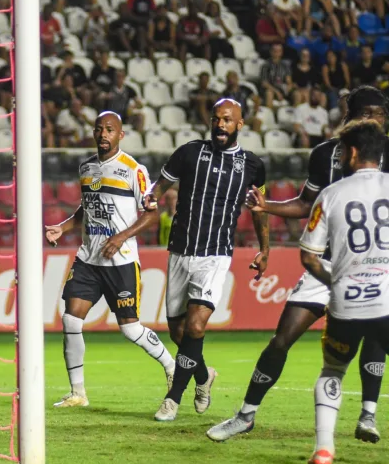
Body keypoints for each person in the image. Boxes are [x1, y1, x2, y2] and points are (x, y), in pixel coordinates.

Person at [207, 86, 388, 444]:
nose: (376, 120)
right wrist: (267, 207)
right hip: (326, 265)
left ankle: (368, 414)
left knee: (374, 334)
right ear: (349, 112)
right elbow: (308, 203)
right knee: (282, 338)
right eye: (369, 113)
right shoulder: (325, 154)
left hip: (375, 264)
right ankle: (246, 415)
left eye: (381, 114)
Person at [125, 99, 270, 421]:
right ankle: (204, 376)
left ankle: (172, 399)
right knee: (179, 333)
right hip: (180, 251)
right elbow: (160, 186)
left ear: (240, 124)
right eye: (217, 119)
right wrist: (151, 197)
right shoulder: (189, 152)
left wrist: (265, 248)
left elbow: (258, 208)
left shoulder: (253, 165)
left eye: (228, 120)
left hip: (215, 255)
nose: (221, 125)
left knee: (195, 325)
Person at [45, 112, 175, 407]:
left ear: (120, 135)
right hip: (89, 259)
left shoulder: (133, 170)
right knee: (71, 319)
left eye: (110, 130)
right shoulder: (86, 168)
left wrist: (121, 237)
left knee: (130, 329)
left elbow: (151, 214)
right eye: (100, 129)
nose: (104, 134)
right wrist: (62, 228)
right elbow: (86, 209)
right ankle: (78, 393)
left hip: (121, 261)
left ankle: (172, 366)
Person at [297, 119, 389, 464]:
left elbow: (308, 256)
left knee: (333, 371)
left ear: (351, 152)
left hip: (347, 301)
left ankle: (324, 449)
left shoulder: (331, 194)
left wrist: (336, 280)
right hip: (387, 299)